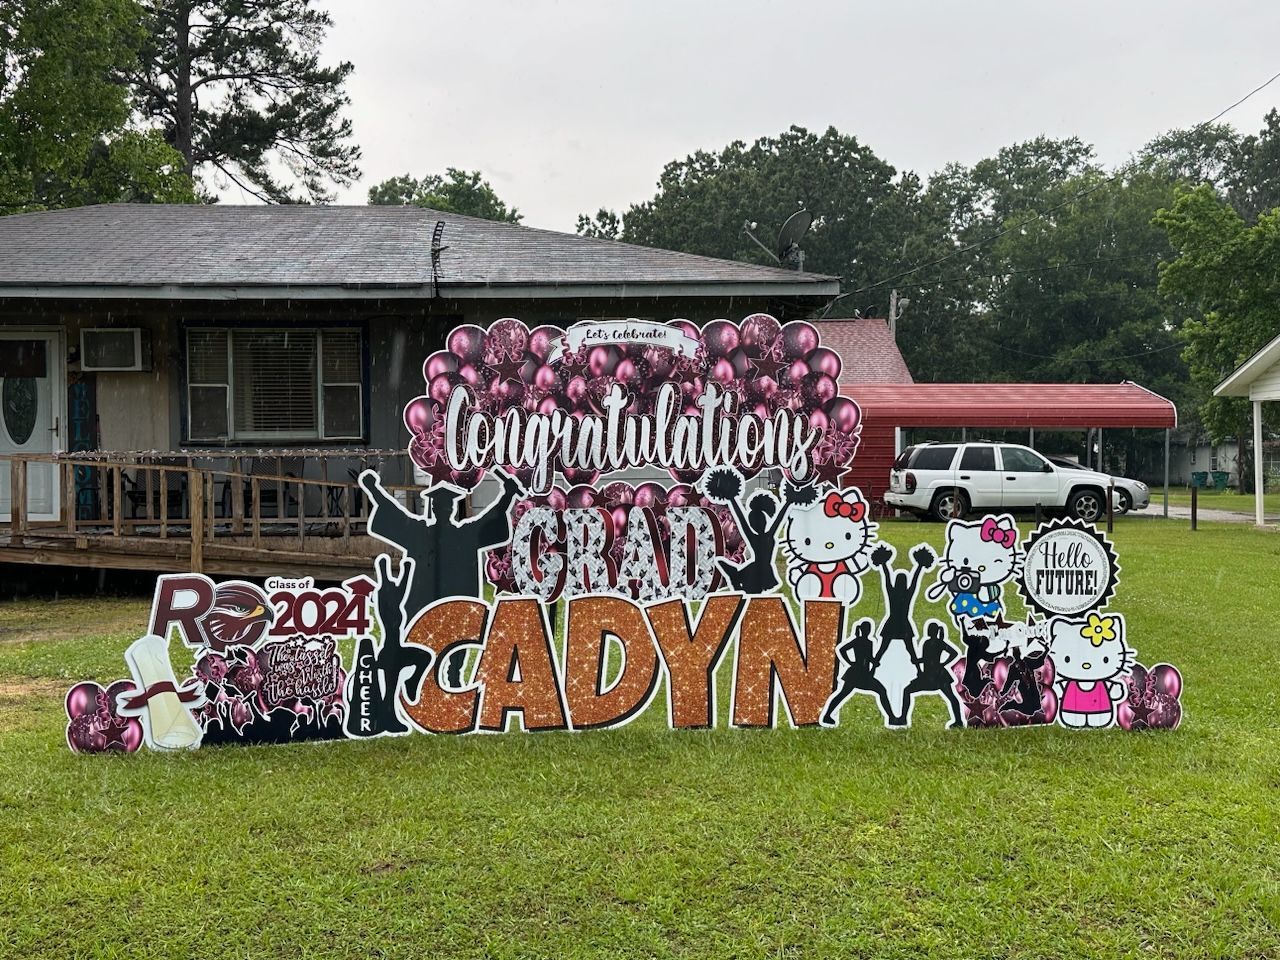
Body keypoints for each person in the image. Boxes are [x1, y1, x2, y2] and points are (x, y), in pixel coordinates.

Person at [359, 468, 523, 686]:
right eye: (437, 505)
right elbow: (395, 515)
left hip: (458, 602)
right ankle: (425, 683)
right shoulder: (423, 533)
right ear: (431, 508)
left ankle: (453, 681)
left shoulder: (465, 534)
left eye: (445, 505)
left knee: (459, 643)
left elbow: (490, 520)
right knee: (423, 646)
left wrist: (507, 497)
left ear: (453, 509)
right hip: (424, 603)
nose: (441, 509)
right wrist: (374, 491)